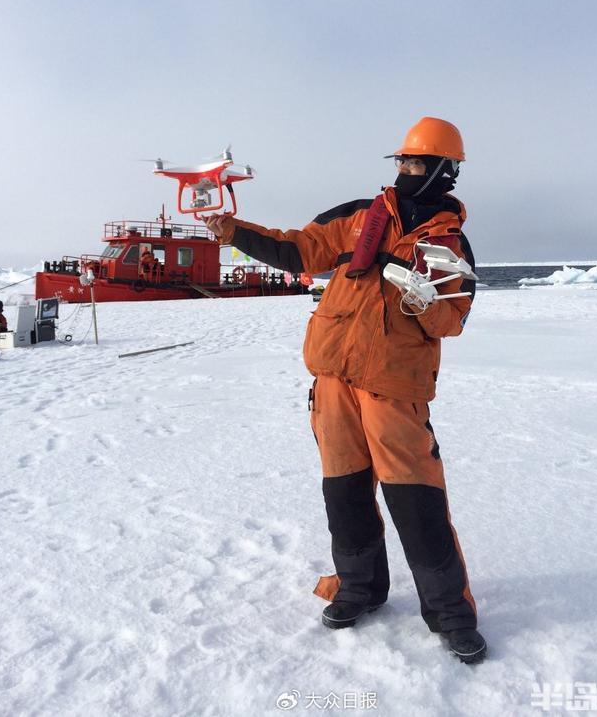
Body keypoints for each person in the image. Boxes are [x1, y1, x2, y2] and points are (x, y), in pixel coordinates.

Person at [205, 117, 486, 664]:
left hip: (394, 388)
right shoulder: (359, 217)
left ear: (444, 171)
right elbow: (299, 251)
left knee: (417, 498)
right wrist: (233, 232)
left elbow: (454, 320)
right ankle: (359, 587)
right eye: (401, 161)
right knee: (345, 493)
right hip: (333, 379)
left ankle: (450, 612)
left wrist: (426, 299)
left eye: (415, 163)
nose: (405, 170)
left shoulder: (452, 243)